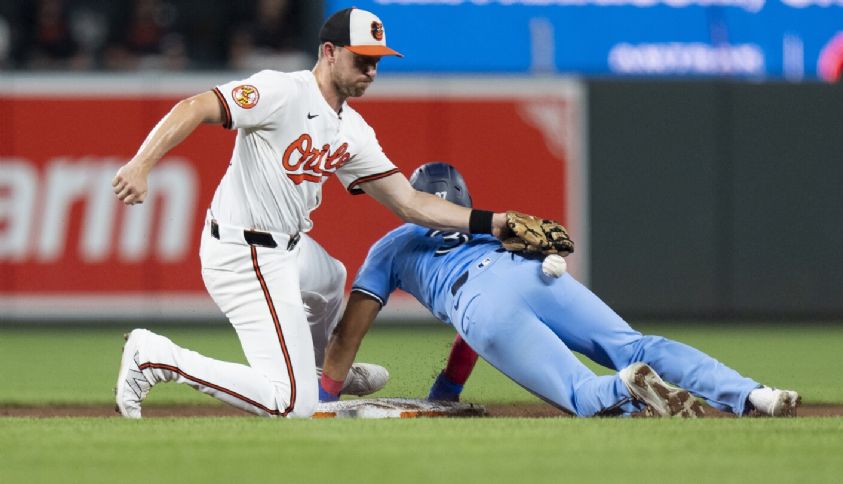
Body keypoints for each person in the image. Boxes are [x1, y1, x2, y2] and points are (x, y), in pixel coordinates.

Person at [112, 8, 555, 419]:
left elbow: (410, 202)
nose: (372, 71)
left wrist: (494, 222)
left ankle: (321, 366)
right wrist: (141, 164)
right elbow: (194, 106)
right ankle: (155, 357)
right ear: (328, 52)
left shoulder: (353, 129)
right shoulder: (281, 91)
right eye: (362, 59)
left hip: (289, 247)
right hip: (244, 252)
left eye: (378, 61)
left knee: (329, 278)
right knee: (291, 404)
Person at [321, 162, 801, 418]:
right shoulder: (488, 224)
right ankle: (755, 395)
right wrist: (447, 387)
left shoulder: (392, 246)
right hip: (534, 273)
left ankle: (623, 385)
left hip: (482, 304)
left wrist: (325, 398)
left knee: (581, 393)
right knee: (636, 344)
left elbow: (348, 335)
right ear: (463, 202)